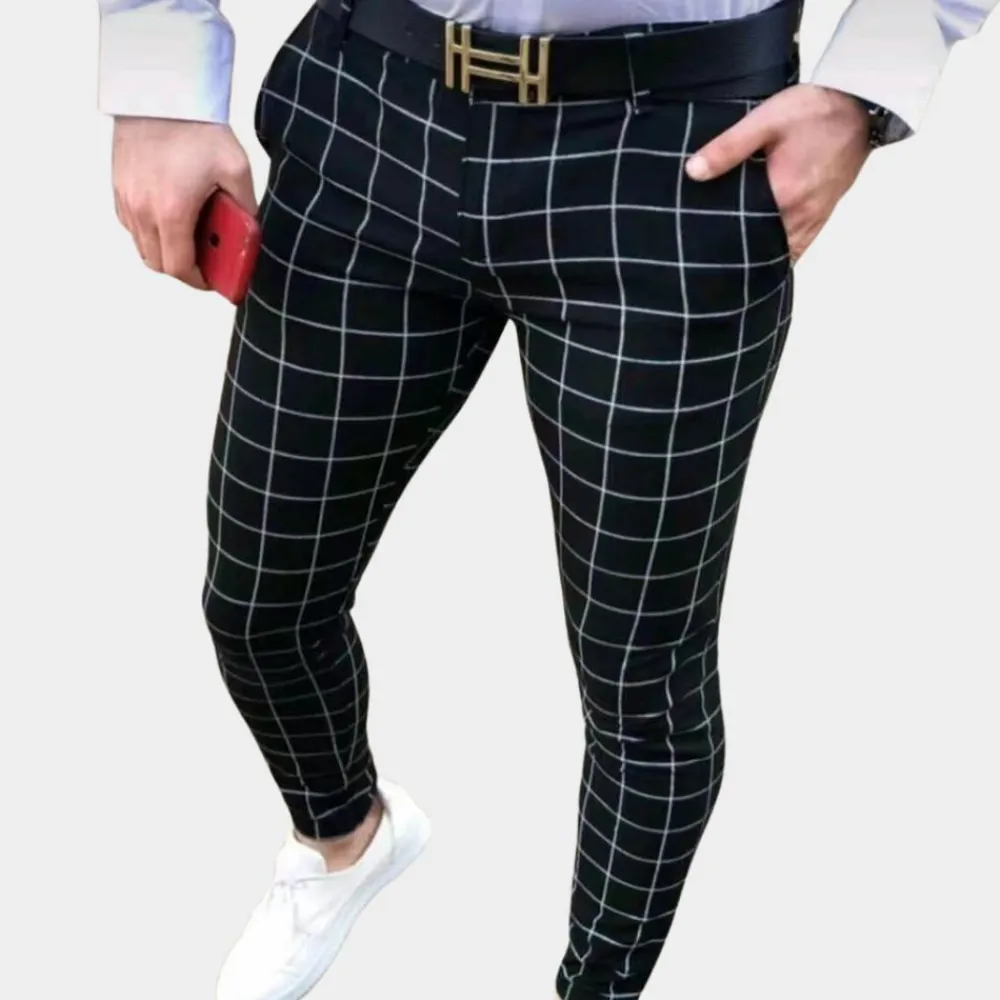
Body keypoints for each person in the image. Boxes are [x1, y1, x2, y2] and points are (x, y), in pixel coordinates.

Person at [96, 1, 996, 999]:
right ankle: (343, 836)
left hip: (677, 142)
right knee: (258, 600)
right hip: (375, 102)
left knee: (641, 682)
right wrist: (158, 73)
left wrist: (869, 82)